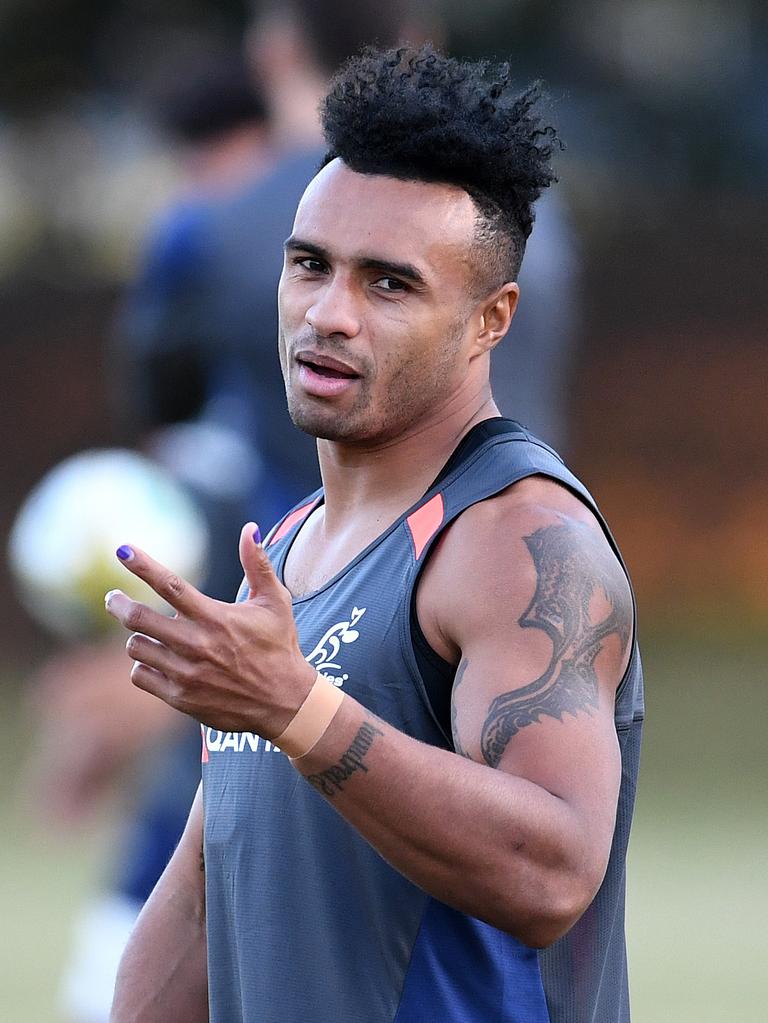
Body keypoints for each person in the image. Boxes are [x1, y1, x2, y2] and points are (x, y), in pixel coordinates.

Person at [107, 45, 644, 1023]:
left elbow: (552, 871)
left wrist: (297, 710)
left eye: (388, 285)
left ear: (491, 320)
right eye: (309, 265)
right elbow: (202, 899)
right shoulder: (291, 544)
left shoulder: (516, 539)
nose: (328, 314)